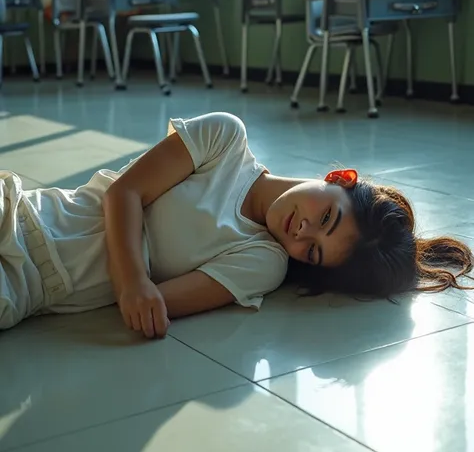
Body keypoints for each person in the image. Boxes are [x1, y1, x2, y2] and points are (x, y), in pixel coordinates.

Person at [1, 112, 472, 337]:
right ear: (339, 178)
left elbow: (153, 308)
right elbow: (125, 193)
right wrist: (131, 281)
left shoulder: (261, 262)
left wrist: (138, 293)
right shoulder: (225, 138)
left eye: (312, 252)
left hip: (26, 287)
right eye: (325, 216)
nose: (301, 232)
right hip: (21, 210)